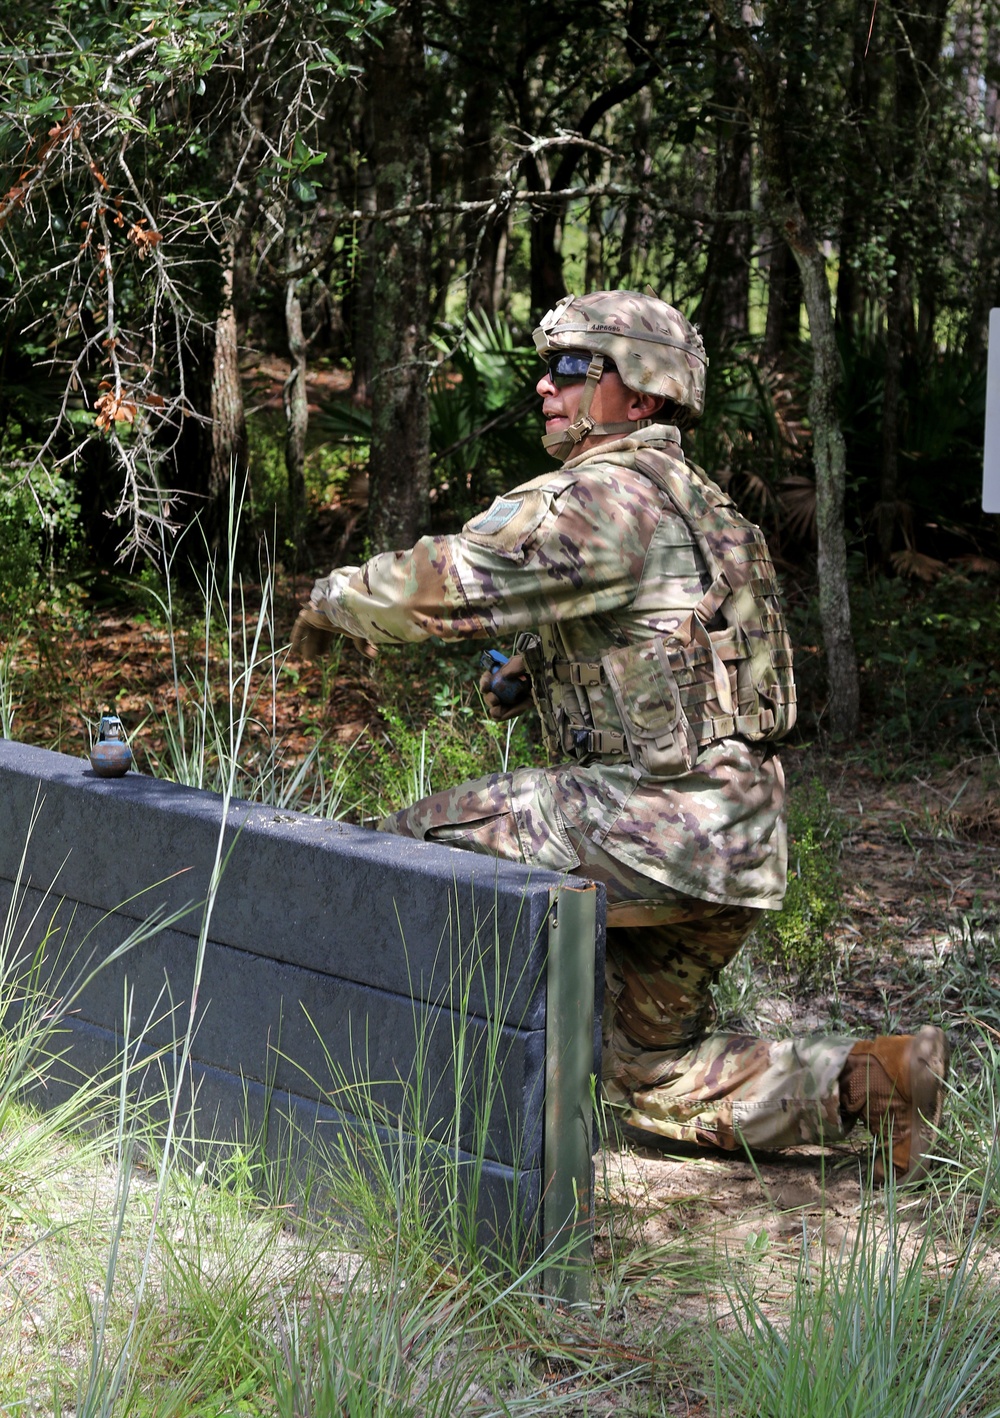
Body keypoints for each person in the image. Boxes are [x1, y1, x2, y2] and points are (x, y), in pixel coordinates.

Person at [292, 289, 949, 1183]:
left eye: (571, 368)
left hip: (658, 825)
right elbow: (682, 647)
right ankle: (874, 1083)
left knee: (398, 855)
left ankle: (363, 1115)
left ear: (638, 395)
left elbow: (447, 584)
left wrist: (332, 600)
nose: (543, 387)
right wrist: (535, 674)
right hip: (736, 844)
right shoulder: (706, 509)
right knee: (646, 1071)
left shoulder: (605, 497)